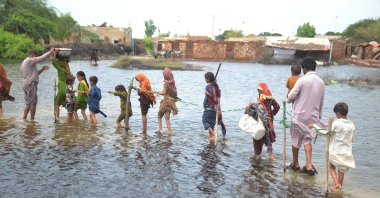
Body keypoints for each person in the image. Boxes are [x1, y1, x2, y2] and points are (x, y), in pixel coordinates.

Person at [287, 57, 325, 176]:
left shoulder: (302, 80)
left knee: (295, 139)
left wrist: (290, 97)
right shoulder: (321, 82)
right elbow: (321, 102)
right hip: (313, 118)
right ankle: (309, 165)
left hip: (299, 116)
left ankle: (295, 163)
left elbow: (290, 97)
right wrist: (319, 117)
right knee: (307, 139)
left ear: (305, 68)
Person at [245, 82, 280, 160]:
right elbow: (277, 107)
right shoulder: (271, 98)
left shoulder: (262, 98)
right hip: (268, 121)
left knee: (258, 137)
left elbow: (258, 105)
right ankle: (271, 157)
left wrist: (250, 105)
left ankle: (257, 155)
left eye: (259, 90)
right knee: (268, 140)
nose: (258, 91)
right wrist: (271, 115)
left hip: (261, 121)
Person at [328, 102, 355, 190]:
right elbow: (352, 139)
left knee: (331, 166)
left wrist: (315, 127)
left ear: (338, 113)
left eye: (336, 113)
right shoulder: (352, 125)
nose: (336, 115)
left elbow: (328, 132)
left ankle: (336, 183)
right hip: (346, 153)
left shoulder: (336, 123)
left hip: (336, 151)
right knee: (341, 171)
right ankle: (339, 186)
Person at [21, 48, 53, 120]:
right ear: (32, 55)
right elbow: (41, 58)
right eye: (35, 57)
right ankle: (32, 120)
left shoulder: (26, 62)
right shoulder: (29, 60)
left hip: (26, 84)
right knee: (33, 103)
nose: (36, 60)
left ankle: (24, 119)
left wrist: (42, 69)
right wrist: (51, 52)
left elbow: (34, 74)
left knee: (28, 104)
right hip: (30, 84)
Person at [202, 72, 226, 141]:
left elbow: (211, 96)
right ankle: (211, 138)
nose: (205, 80)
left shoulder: (209, 87)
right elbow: (217, 99)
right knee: (211, 124)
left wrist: (213, 104)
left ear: (208, 79)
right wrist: (218, 109)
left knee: (205, 121)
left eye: (205, 79)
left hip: (208, 109)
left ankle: (214, 134)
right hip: (215, 110)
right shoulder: (216, 87)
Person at [155, 67, 178, 136]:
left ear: (164, 75)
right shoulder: (172, 82)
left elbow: (163, 92)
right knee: (167, 117)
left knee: (159, 115)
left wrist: (157, 92)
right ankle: (169, 131)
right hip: (171, 102)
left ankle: (160, 129)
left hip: (166, 102)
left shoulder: (166, 83)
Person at [52, 49, 72, 118]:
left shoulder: (61, 70)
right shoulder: (68, 71)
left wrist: (55, 53)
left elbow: (54, 62)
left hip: (62, 89)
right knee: (70, 105)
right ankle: (72, 119)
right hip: (69, 89)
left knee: (57, 103)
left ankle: (57, 117)